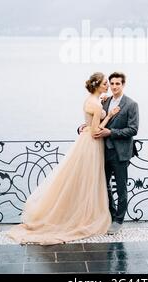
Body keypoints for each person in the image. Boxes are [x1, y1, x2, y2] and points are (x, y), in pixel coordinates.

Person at [8, 72, 120, 245]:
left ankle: (79, 212)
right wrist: (110, 115)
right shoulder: (97, 105)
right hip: (92, 143)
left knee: (83, 179)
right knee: (89, 179)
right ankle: (85, 216)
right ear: (98, 85)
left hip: (86, 140)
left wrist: (100, 106)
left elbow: (90, 122)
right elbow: (97, 130)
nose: (107, 85)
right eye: (105, 83)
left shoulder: (91, 100)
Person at [94, 72, 139, 235]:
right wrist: (83, 127)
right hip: (103, 151)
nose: (113, 86)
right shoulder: (105, 101)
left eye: (117, 84)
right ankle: (111, 215)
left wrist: (110, 132)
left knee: (121, 188)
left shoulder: (131, 104)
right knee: (103, 186)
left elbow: (133, 129)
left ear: (123, 84)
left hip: (120, 153)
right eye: (111, 83)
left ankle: (118, 221)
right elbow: (97, 121)